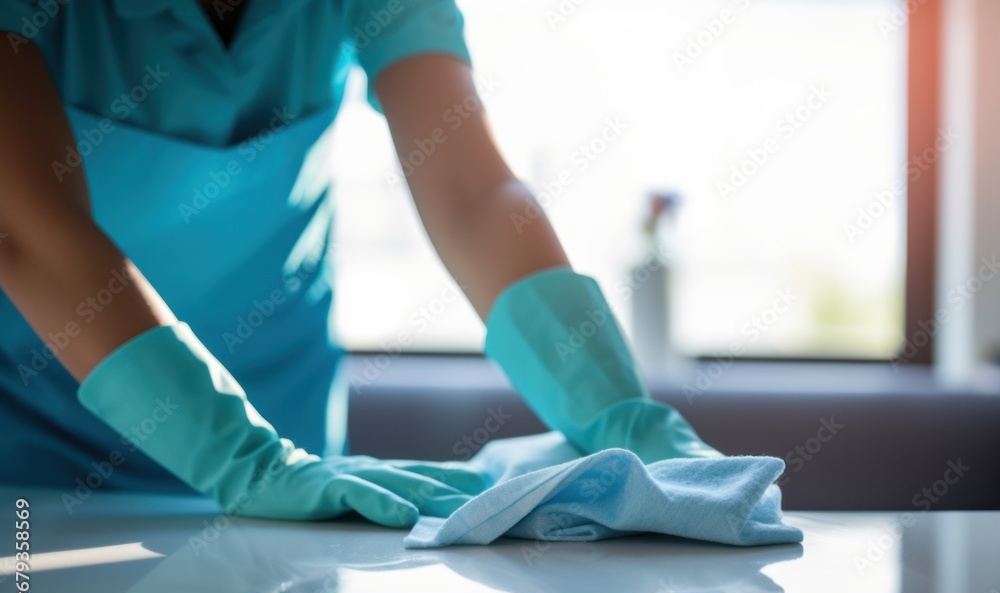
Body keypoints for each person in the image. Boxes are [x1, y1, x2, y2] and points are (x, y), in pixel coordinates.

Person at [0, 0, 718, 525]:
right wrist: (240, 460)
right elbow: (24, 223)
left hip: (290, 441)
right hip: (42, 459)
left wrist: (619, 410)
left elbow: (471, 191)